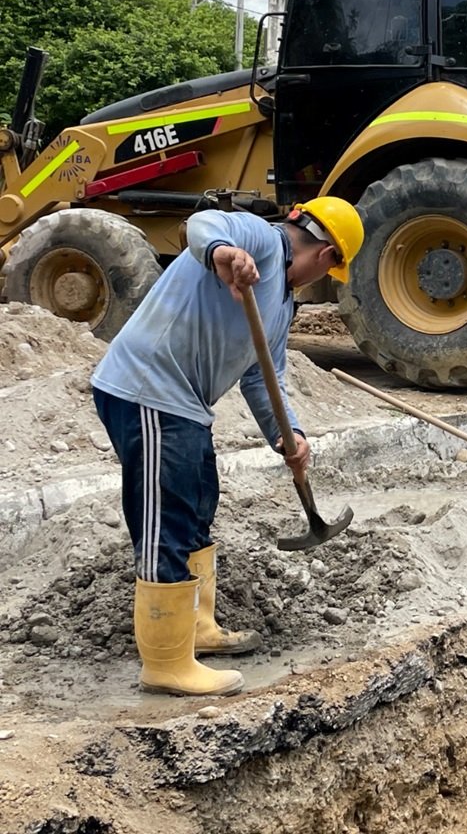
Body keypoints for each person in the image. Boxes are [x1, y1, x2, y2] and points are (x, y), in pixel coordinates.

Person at [90, 197, 364, 697]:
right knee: (165, 517)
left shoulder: (281, 302)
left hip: (186, 404)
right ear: (328, 258)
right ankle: (165, 663)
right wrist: (222, 253)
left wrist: (290, 434)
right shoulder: (262, 241)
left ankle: (197, 628)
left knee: (196, 504)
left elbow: (264, 376)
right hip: (148, 388)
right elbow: (203, 223)